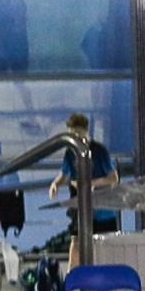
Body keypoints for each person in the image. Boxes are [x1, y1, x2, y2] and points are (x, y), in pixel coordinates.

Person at [51, 112, 122, 267]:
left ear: (86, 131)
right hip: (81, 208)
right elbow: (64, 174)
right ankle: (72, 280)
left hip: (102, 209)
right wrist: (55, 184)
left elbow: (113, 178)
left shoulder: (99, 151)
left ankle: (107, 279)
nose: (75, 139)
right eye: (72, 136)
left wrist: (90, 183)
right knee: (76, 242)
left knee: (105, 246)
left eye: (78, 135)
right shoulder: (70, 153)